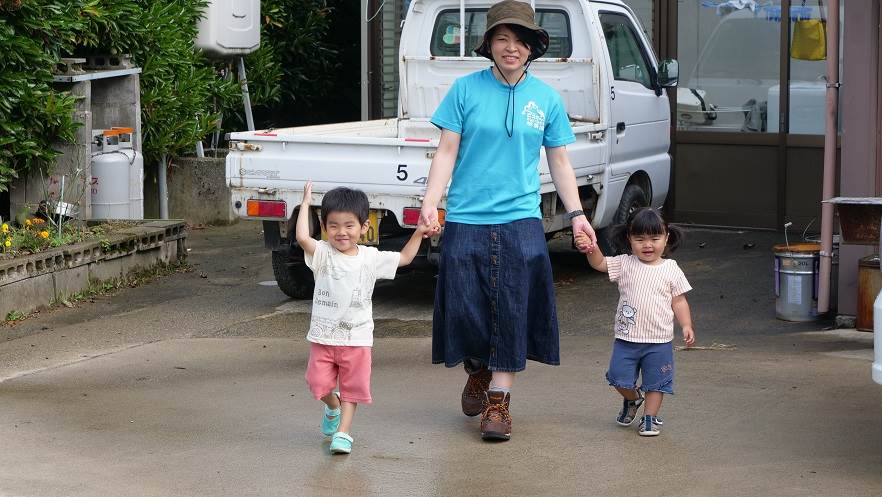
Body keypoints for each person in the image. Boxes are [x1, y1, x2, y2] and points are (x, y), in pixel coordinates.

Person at [419, 0, 596, 441]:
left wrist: (577, 215)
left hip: (521, 218)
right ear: (489, 44)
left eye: (519, 40)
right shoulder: (464, 90)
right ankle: (477, 367)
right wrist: (430, 201)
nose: (510, 47)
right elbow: (446, 151)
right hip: (466, 216)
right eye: (502, 38)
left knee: (513, 307)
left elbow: (559, 161)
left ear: (533, 47)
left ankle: (498, 402)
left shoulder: (546, 99)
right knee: (466, 306)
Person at [296, 181, 434, 454]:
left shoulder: (370, 258)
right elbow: (302, 238)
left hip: (357, 339)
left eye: (349, 225)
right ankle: (332, 406)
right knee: (317, 384)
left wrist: (419, 233)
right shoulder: (323, 254)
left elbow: (405, 258)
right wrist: (305, 203)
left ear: (364, 227)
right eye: (333, 225)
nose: (341, 232)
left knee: (353, 388)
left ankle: (344, 433)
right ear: (324, 227)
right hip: (324, 338)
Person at [575, 207, 695, 437]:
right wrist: (592, 247)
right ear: (629, 239)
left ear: (666, 237)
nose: (647, 245)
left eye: (654, 238)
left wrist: (686, 325)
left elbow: (679, 301)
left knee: (656, 383)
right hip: (626, 339)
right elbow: (599, 263)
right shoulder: (625, 263)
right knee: (618, 377)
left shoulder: (671, 268)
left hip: (659, 340)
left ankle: (649, 418)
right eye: (639, 239)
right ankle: (633, 399)